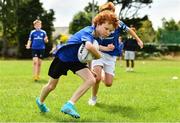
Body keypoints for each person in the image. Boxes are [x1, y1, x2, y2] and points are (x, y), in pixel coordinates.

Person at [35, 11, 119, 119]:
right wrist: (99, 55)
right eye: (106, 28)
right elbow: (88, 47)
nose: (108, 32)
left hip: (76, 61)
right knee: (51, 86)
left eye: (111, 31)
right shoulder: (89, 31)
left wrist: (89, 69)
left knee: (91, 80)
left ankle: (69, 104)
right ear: (98, 24)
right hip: (63, 58)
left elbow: (87, 55)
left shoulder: (98, 38)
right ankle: (40, 102)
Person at [88, 2, 143, 106]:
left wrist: (138, 40)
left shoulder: (118, 23)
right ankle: (93, 98)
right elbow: (90, 38)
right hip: (99, 52)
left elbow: (129, 30)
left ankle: (103, 72)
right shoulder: (97, 23)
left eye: (110, 12)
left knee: (108, 83)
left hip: (111, 55)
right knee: (97, 78)